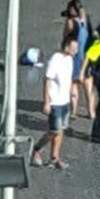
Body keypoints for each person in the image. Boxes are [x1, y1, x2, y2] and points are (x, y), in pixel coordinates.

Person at [32, 35, 79, 170]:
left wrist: (71, 93)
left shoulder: (69, 59)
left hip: (65, 101)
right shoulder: (55, 59)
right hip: (55, 102)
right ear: (66, 46)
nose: (76, 50)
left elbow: (68, 78)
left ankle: (55, 157)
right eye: (73, 47)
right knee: (54, 131)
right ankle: (37, 148)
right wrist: (46, 102)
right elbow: (47, 80)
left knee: (61, 130)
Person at [62, 0, 94, 118]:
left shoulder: (70, 22)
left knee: (73, 84)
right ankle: (91, 111)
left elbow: (65, 36)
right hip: (86, 54)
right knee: (88, 84)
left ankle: (73, 111)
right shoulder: (87, 19)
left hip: (74, 55)